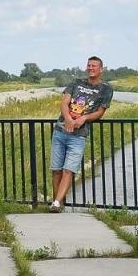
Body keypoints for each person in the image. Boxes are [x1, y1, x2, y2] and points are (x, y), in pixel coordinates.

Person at [49, 56, 114, 212]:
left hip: (78, 136)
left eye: (94, 66)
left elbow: (100, 112)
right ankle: (58, 202)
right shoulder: (76, 83)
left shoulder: (106, 89)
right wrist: (68, 119)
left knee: (68, 170)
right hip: (60, 131)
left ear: (101, 69)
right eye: (89, 65)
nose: (90, 68)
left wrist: (84, 118)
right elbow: (64, 102)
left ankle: (57, 203)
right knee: (56, 170)